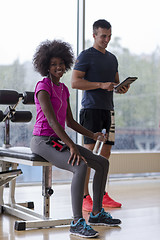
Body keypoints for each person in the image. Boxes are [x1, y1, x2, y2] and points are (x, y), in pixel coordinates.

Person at [30, 39, 121, 238]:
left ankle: (97, 213)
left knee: (102, 163)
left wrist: (93, 135)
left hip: (57, 140)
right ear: (46, 65)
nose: (58, 67)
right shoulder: (43, 86)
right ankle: (77, 221)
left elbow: (70, 122)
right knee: (80, 165)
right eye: (53, 64)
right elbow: (53, 123)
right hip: (42, 141)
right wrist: (71, 146)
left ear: (66, 64)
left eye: (61, 63)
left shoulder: (63, 89)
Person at [71, 19, 129, 211]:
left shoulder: (112, 58)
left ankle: (100, 194)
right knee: (88, 153)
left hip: (108, 110)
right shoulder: (86, 56)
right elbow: (75, 83)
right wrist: (100, 85)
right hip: (91, 109)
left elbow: (115, 83)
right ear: (94, 35)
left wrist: (121, 88)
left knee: (105, 154)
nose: (107, 39)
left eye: (109, 36)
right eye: (103, 36)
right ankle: (84, 196)